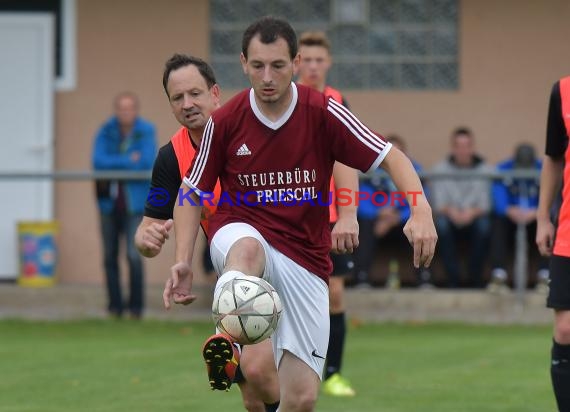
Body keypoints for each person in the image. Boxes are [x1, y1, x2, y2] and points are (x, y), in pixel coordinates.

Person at [163, 16, 437, 412]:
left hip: (306, 259)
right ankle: (230, 335)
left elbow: (390, 156)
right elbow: (191, 192)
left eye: (277, 65)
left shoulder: (323, 111)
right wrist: (183, 261)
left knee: (302, 399)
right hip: (242, 233)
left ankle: (238, 345)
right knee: (247, 252)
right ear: (243, 63)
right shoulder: (225, 121)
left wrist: (421, 208)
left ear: (295, 62)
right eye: (257, 66)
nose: (267, 76)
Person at [134, 54, 279, 412]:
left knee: (261, 373)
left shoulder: (254, 132)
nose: (187, 104)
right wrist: (146, 241)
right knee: (251, 398)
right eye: (177, 98)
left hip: (282, 257)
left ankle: (228, 343)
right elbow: (148, 225)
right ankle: (228, 344)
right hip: (234, 269)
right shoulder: (172, 157)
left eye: (195, 94)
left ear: (215, 93)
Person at [296, 30, 358, 397]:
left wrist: (348, 211)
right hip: (292, 214)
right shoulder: (286, 100)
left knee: (334, 294)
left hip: (331, 214)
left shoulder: (337, 101)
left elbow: (349, 157)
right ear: (296, 62)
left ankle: (332, 373)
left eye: (320, 60)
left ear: (328, 63)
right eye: (307, 60)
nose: (314, 66)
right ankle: (290, 367)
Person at [92, 92, 157, 319]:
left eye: (129, 108)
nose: (125, 112)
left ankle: (136, 309)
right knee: (110, 256)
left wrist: (124, 163)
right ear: (116, 110)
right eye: (121, 108)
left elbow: (147, 161)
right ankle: (115, 307)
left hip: (135, 205)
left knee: (133, 254)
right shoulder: (106, 130)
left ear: (135, 110)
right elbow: (98, 161)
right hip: (108, 204)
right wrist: (129, 160)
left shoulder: (146, 130)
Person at [353, 135, 431, 288]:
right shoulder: (370, 170)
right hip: (377, 222)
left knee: (420, 227)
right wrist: (379, 214)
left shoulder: (415, 171)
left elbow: (423, 202)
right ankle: (361, 278)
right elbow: (360, 199)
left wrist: (397, 218)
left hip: (404, 221)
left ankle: (425, 279)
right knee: (363, 226)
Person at [536, 76, 570, 412]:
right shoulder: (562, 91)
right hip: (568, 232)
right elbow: (553, 158)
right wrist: (543, 217)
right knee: (565, 330)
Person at [430, 127, 492, 288]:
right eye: (459, 145)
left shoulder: (486, 170)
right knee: (441, 226)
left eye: (467, 145)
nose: (463, 150)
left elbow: (486, 204)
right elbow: (438, 204)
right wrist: (452, 212)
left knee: (485, 226)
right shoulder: (440, 169)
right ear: (453, 148)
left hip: (475, 217)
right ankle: (453, 279)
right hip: (449, 217)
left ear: (472, 147)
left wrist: (471, 213)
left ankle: (475, 276)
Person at [488, 143, 548, 292]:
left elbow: (551, 198)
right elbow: (498, 196)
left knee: (548, 223)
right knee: (497, 223)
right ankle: (498, 276)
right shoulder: (503, 168)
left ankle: (545, 276)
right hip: (511, 218)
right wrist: (508, 209)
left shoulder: (544, 169)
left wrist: (537, 212)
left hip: (535, 218)